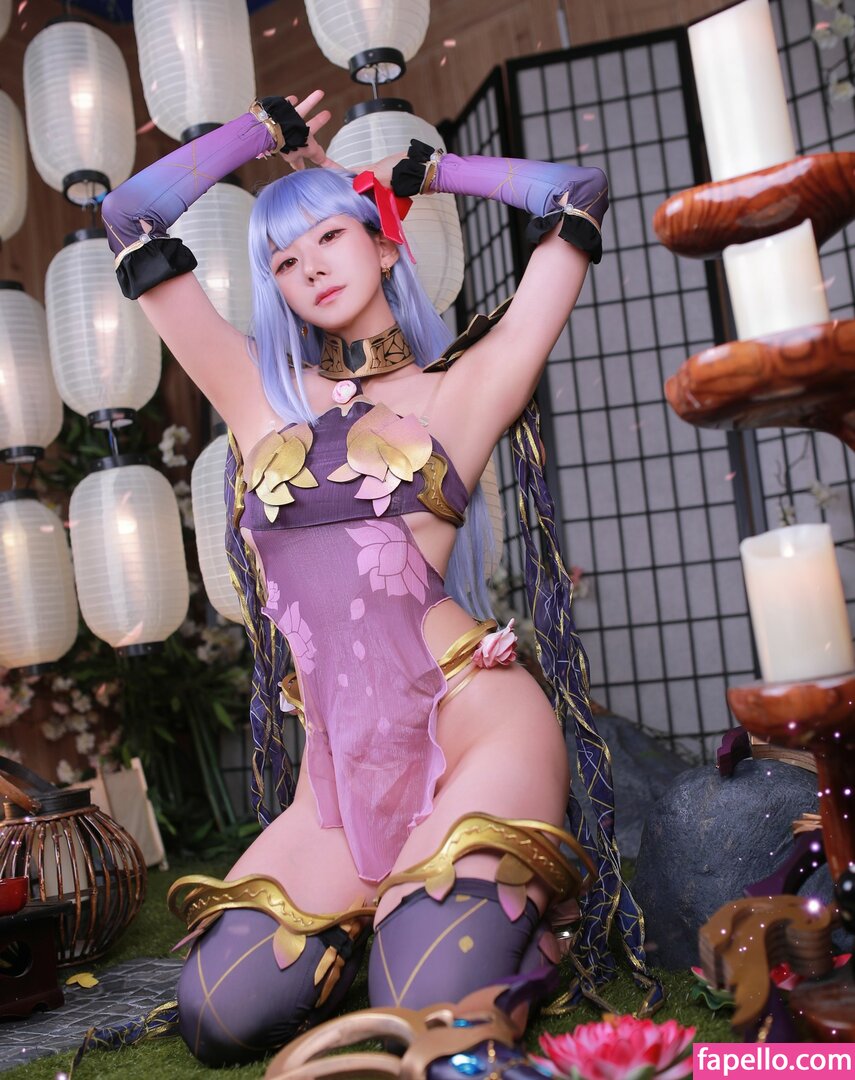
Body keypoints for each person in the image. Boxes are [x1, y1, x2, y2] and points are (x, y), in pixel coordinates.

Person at [101, 91, 653, 1069]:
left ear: (385, 246)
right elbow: (131, 216)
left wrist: (428, 175)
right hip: (344, 765)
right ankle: (391, 905)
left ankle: (514, 934)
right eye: (282, 259)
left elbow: (575, 194)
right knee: (217, 1015)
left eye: (329, 236)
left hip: (473, 723)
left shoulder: (464, 389)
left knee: (426, 1011)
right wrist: (262, 133)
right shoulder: (253, 392)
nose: (308, 265)